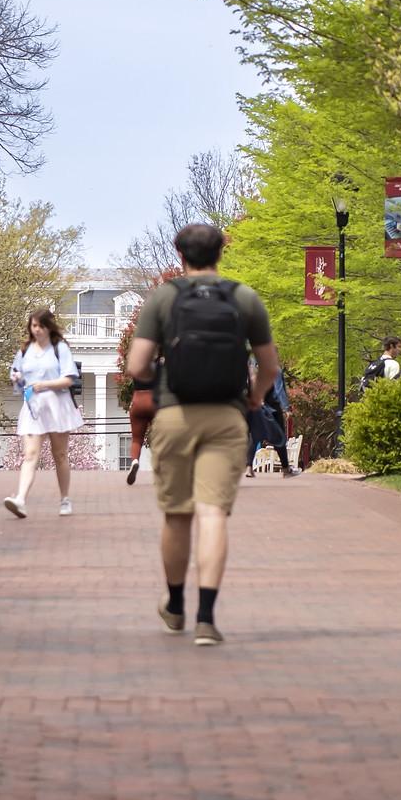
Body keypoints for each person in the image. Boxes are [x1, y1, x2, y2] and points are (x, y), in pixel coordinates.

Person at [125, 222, 279, 647]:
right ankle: (207, 619)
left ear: (180, 254)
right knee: (213, 513)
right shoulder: (243, 297)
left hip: (175, 414)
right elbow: (269, 366)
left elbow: (137, 366)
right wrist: (255, 397)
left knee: (177, 513)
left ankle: (175, 606)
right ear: (220, 253)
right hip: (227, 416)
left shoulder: (165, 297)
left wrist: (166, 374)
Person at [4, 309, 82, 518]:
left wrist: (45, 385)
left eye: (40, 326)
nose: (37, 330)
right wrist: (17, 379)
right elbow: (19, 380)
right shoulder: (24, 350)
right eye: (34, 326)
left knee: (60, 455)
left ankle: (65, 499)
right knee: (30, 454)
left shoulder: (60, 349)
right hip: (33, 407)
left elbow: (68, 378)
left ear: (49, 327)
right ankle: (20, 499)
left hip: (57, 405)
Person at [245, 362, 297, 478]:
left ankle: (249, 468)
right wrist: (286, 408)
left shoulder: (252, 368)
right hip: (272, 409)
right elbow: (278, 390)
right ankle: (285, 469)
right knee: (279, 437)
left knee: (254, 437)